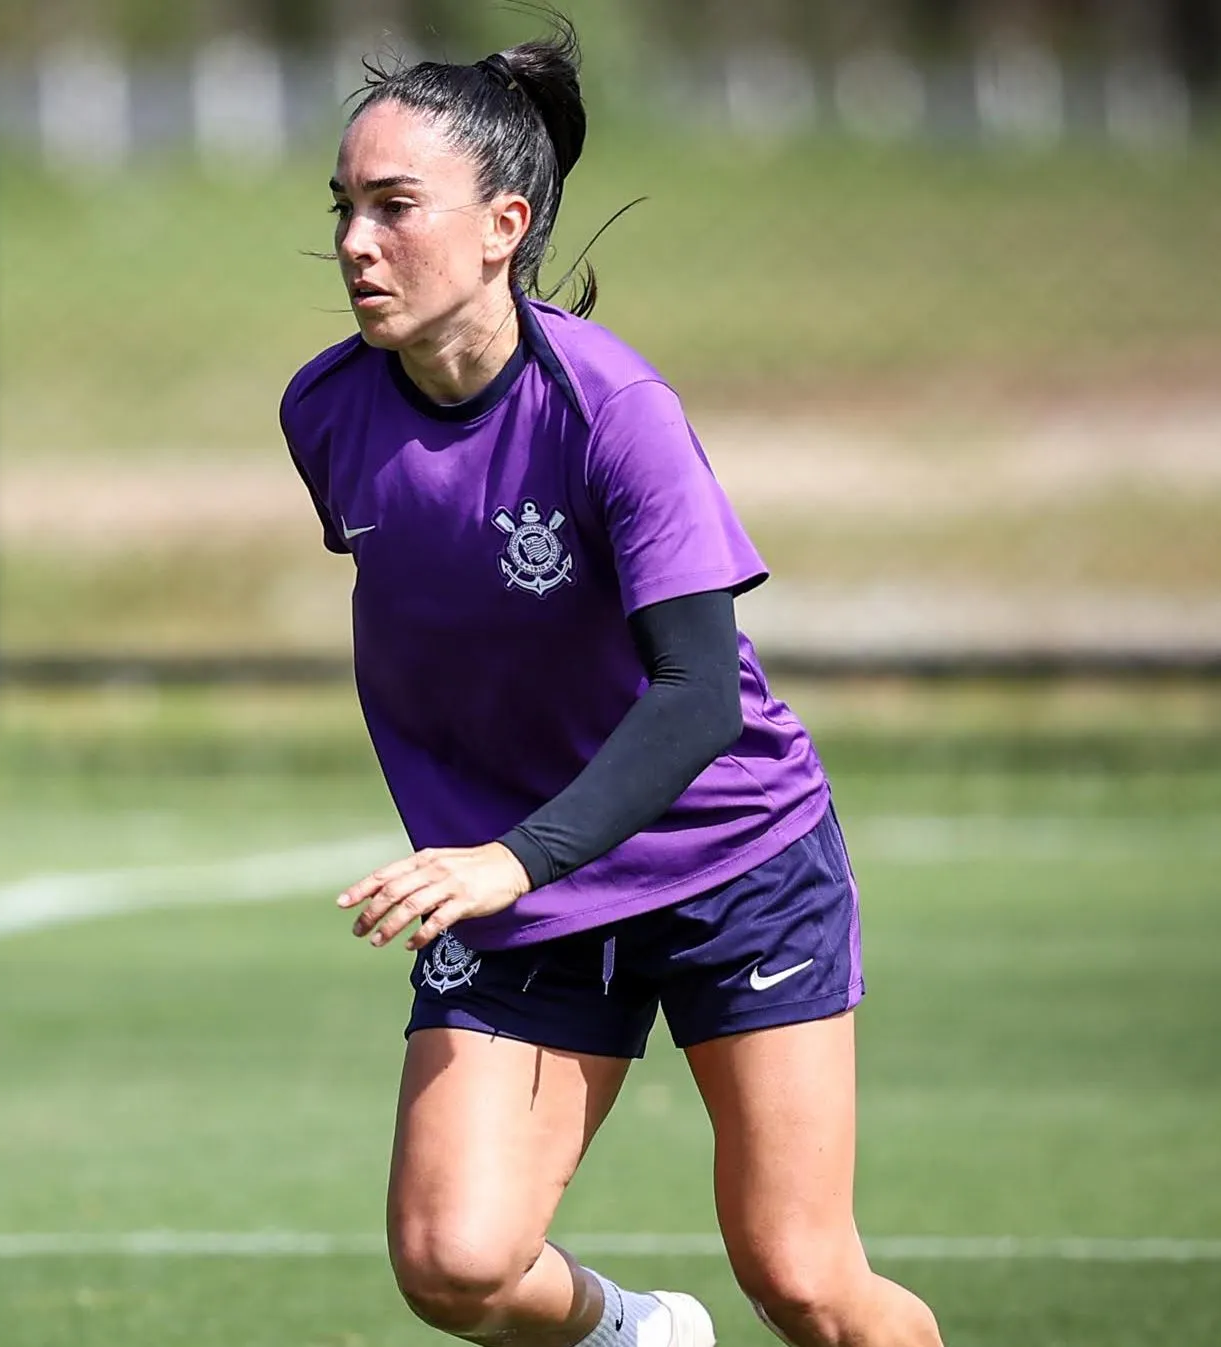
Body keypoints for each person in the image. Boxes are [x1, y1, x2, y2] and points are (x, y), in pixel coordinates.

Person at [278, 17, 946, 1347]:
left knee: (804, 1281)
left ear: (503, 226)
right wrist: (512, 859)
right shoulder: (326, 410)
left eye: (394, 206)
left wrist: (509, 857)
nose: (355, 241)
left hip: (728, 863)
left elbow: (697, 695)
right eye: (343, 207)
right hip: (528, 891)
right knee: (454, 1263)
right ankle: (639, 1335)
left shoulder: (611, 408)